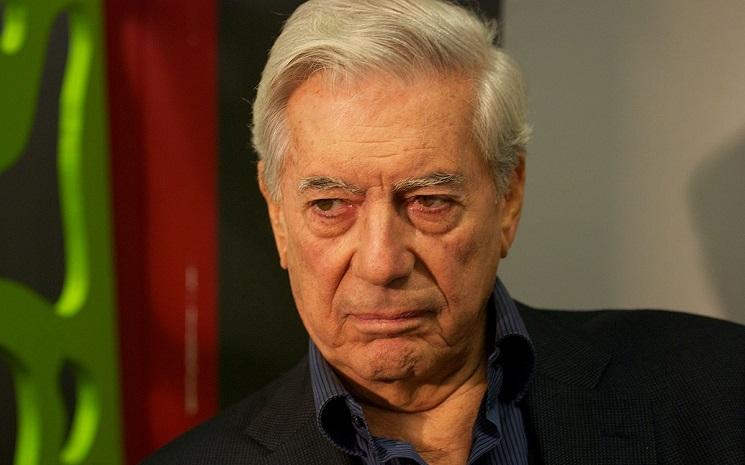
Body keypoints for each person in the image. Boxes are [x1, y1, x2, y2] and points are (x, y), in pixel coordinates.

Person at [143, 1, 745, 464]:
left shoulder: (719, 387)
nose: (381, 263)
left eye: (429, 201)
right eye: (330, 205)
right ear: (278, 214)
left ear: (508, 198)